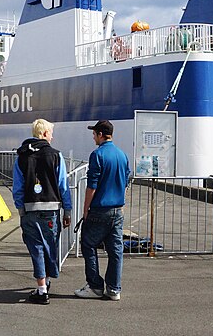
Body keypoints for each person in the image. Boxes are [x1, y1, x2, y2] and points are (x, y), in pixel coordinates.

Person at [13, 119, 72, 305]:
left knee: (36, 249)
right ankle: (45, 283)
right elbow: (63, 185)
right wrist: (67, 210)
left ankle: (42, 289)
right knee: (50, 247)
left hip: (30, 209)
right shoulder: (56, 155)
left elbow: (18, 187)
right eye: (51, 133)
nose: (52, 136)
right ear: (44, 133)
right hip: (52, 210)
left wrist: (21, 209)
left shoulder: (21, 156)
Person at [75, 120, 130, 301]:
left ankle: (95, 286)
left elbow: (92, 185)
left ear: (100, 134)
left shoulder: (97, 155)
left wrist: (85, 209)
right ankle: (114, 288)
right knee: (115, 250)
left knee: (88, 244)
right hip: (117, 209)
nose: (93, 137)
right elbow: (127, 179)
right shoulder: (122, 155)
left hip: (99, 209)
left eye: (94, 134)